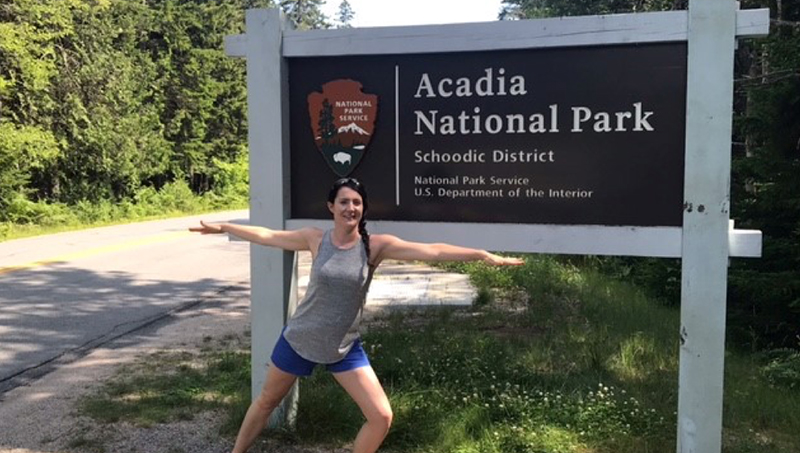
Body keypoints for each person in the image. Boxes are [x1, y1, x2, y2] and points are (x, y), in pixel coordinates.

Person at [190, 177, 523, 453]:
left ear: (363, 209)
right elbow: (268, 236)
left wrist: (480, 255)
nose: (351, 207)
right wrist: (224, 227)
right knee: (265, 403)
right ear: (331, 207)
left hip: (343, 347)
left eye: (357, 203)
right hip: (300, 338)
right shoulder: (314, 239)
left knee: (381, 416)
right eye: (344, 201)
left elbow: (434, 250)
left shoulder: (375, 246)